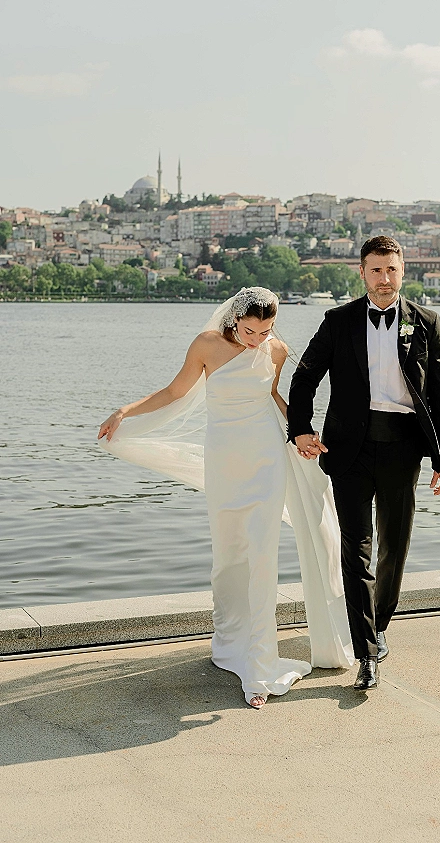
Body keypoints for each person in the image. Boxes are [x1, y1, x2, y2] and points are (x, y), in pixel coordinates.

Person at [98, 287, 353, 710]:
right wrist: (126, 410)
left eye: (266, 330)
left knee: (262, 558)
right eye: (251, 330)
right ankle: (231, 644)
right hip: (225, 459)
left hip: (266, 458)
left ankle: (260, 664)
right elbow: (175, 392)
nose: (257, 339)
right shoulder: (206, 345)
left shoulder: (275, 350)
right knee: (229, 556)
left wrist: (303, 432)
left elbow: (273, 399)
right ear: (235, 319)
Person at [287, 236, 440, 691]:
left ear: (404, 273)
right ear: (361, 273)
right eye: (376, 270)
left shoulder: (427, 322)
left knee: (394, 548)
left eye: (392, 270)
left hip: (404, 450)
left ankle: (378, 626)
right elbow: (304, 377)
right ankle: (365, 653)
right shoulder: (338, 321)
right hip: (349, 452)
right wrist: (300, 428)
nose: (385, 279)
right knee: (355, 548)